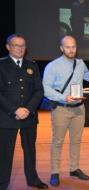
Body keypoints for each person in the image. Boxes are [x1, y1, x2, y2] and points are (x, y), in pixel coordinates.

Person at [0, 34, 48, 189]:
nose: (20, 48)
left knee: (30, 151)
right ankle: (2, 183)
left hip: (29, 116)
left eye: (23, 46)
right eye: (16, 45)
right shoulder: (1, 65)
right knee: (5, 153)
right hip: (7, 117)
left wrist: (27, 109)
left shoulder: (32, 65)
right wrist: (15, 110)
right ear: (8, 47)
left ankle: (33, 179)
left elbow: (39, 91)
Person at [43, 35, 89, 186]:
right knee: (58, 141)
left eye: (74, 47)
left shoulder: (80, 63)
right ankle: (55, 172)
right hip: (61, 109)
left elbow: (88, 76)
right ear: (61, 48)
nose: (71, 50)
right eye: (68, 47)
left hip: (79, 109)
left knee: (76, 141)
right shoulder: (53, 66)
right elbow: (46, 88)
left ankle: (74, 168)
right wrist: (64, 98)